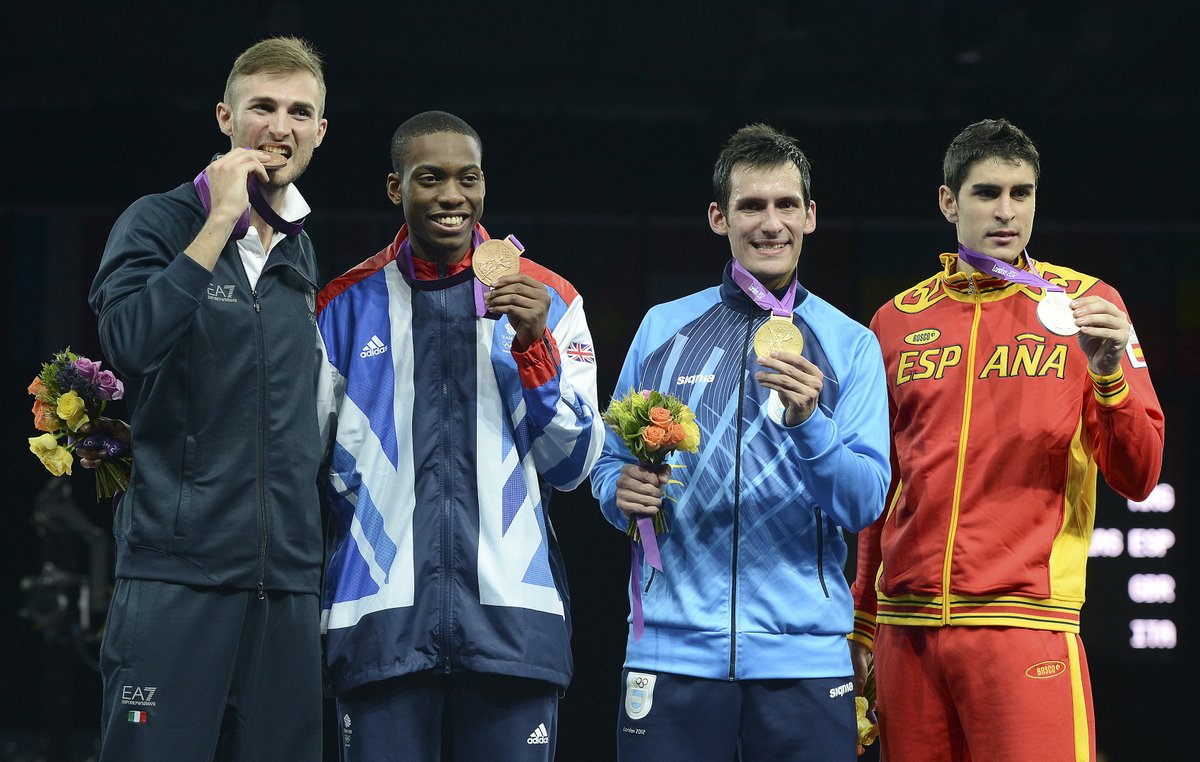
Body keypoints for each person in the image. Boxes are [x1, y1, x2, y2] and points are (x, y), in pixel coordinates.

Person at [849, 118, 1164, 761]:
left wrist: (1107, 374)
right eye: (987, 193)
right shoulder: (893, 322)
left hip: (1026, 626)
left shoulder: (1089, 307)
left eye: (1021, 194)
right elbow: (874, 487)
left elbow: (1140, 475)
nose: (1006, 212)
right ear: (948, 202)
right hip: (905, 634)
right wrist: (861, 622)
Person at [589, 124, 890, 761]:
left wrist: (811, 422)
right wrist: (620, 493)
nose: (770, 223)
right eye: (751, 206)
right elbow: (609, 464)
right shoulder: (663, 328)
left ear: (810, 216)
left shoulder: (850, 343)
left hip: (804, 661)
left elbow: (865, 502)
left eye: (786, 205)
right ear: (718, 217)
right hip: (671, 654)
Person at [315, 110, 604, 761]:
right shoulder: (342, 307)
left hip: (514, 628)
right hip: (376, 629)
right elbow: (294, 464)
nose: (451, 195)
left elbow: (575, 465)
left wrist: (535, 351)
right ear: (397, 189)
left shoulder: (550, 301)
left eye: (466, 179)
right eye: (430, 178)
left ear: (483, 186)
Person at [87, 37, 329, 761]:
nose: (279, 126)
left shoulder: (299, 251)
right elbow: (127, 344)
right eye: (262, 106)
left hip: (285, 579)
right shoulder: (158, 221)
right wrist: (217, 221)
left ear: (321, 132)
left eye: (299, 111)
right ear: (227, 117)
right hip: (175, 574)